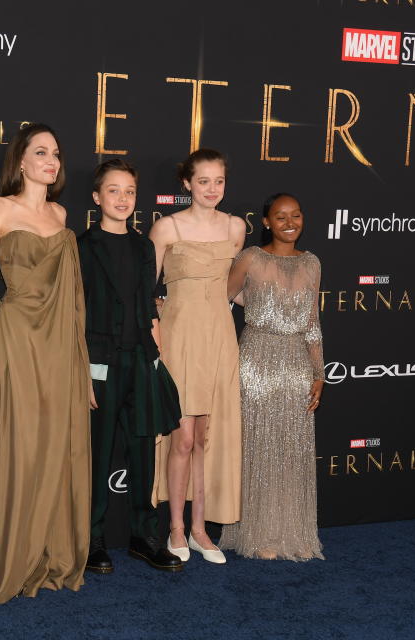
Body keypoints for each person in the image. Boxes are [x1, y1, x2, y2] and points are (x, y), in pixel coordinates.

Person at [0, 123, 91, 604]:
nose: (51, 161)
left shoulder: (60, 213)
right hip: (15, 338)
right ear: (21, 161)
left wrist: (79, 356)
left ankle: (51, 552)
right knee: (19, 443)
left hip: (59, 345)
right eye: (41, 152)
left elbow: (73, 299)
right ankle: (8, 554)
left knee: (56, 442)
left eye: (56, 153)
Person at [77, 159, 183, 574]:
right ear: (97, 197)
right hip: (100, 363)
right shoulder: (82, 247)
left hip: (141, 360)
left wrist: (157, 360)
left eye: (129, 192)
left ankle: (145, 536)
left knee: (143, 453)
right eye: (114, 190)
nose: (122, 199)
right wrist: (83, 370)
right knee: (98, 455)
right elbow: (76, 313)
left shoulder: (144, 247)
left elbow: (149, 307)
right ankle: (92, 539)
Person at [149, 148, 245, 564]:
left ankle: (201, 530)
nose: (212, 189)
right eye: (203, 181)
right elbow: (145, 291)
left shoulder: (236, 228)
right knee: (182, 437)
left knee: (205, 436)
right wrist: (154, 329)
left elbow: (233, 289)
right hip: (180, 337)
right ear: (186, 183)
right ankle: (174, 528)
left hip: (220, 338)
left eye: (218, 181)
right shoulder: (167, 228)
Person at [218, 193, 325, 561]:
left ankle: (289, 531)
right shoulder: (251, 257)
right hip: (255, 363)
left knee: (290, 452)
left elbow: (312, 323)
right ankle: (256, 533)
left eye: (296, 215)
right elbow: (222, 299)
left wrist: (319, 372)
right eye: (280, 216)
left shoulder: (312, 263)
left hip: (296, 364)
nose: (289, 222)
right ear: (266, 221)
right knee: (257, 448)